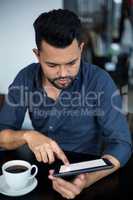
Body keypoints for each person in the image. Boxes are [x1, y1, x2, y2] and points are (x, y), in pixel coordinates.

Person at [0, 9, 132, 199]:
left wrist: (87, 179)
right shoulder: (26, 78)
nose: (63, 74)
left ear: (81, 49)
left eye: (71, 63)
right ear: (37, 55)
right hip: (39, 174)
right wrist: (27, 135)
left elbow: (121, 144)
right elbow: (2, 134)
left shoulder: (100, 81)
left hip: (87, 173)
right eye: (52, 65)